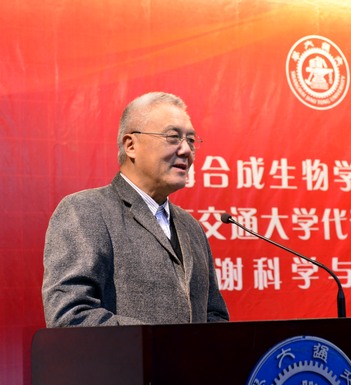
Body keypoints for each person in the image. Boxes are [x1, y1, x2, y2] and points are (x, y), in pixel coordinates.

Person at [42, 92, 229, 326]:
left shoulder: (191, 227)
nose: (186, 150)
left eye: (191, 140)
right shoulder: (85, 211)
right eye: (173, 137)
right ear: (131, 145)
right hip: (126, 353)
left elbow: (214, 315)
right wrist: (158, 342)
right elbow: (70, 315)